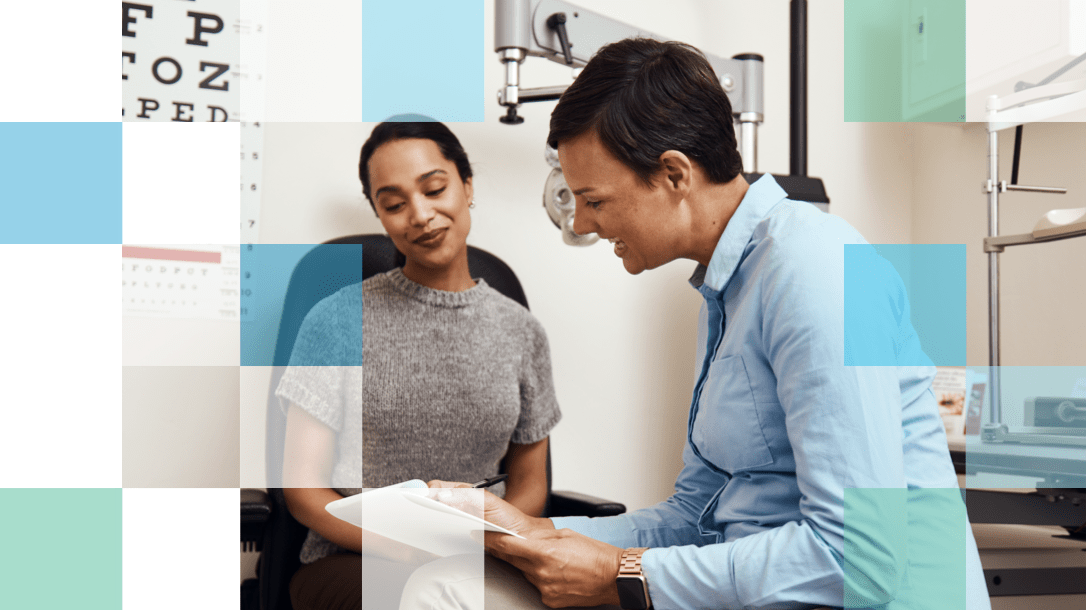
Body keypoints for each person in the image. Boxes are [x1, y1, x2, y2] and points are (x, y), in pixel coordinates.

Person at [418, 38, 991, 610]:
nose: (585, 223)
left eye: (594, 199)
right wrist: (532, 534)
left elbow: (860, 563)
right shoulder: (728, 290)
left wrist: (624, 575)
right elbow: (699, 514)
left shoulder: (814, 268)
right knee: (453, 583)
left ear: (673, 174)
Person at [277, 120, 562, 610]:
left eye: (434, 188)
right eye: (394, 203)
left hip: (478, 557)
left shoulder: (521, 331)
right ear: (380, 216)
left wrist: (486, 545)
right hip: (353, 560)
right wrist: (406, 549)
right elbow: (304, 489)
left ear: (467, 186)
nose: (421, 214)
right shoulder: (337, 319)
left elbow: (530, 484)